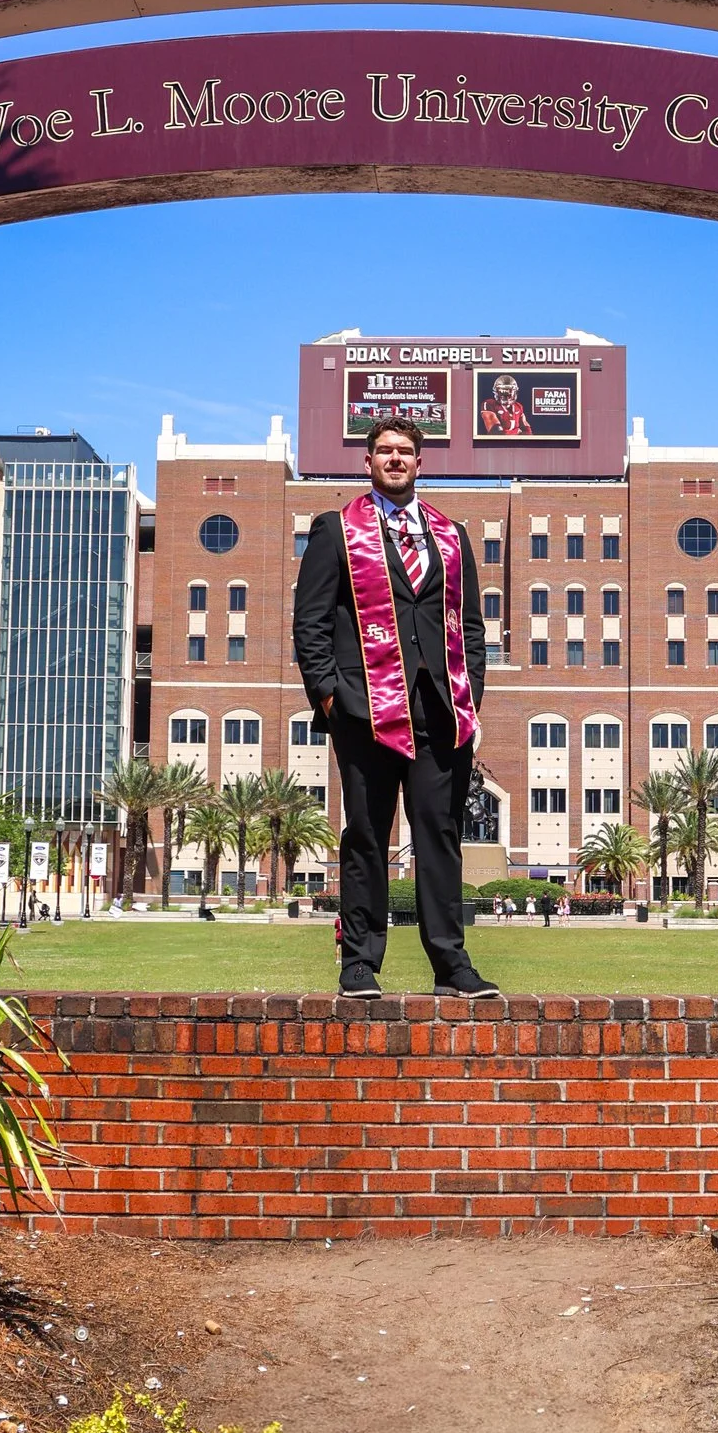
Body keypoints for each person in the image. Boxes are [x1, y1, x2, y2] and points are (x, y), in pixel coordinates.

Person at [292, 413, 499, 996]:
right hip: (365, 710)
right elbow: (310, 622)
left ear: (419, 462)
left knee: (440, 837)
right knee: (366, 834)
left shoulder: (451, 535)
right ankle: (359, 962)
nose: (395, 459)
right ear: (368, 461)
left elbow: (472, 627)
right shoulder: (337, 529)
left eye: (404, 451)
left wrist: (471, 693)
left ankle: (451, 965)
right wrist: (330, 696)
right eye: (385, 450)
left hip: (441, 711)